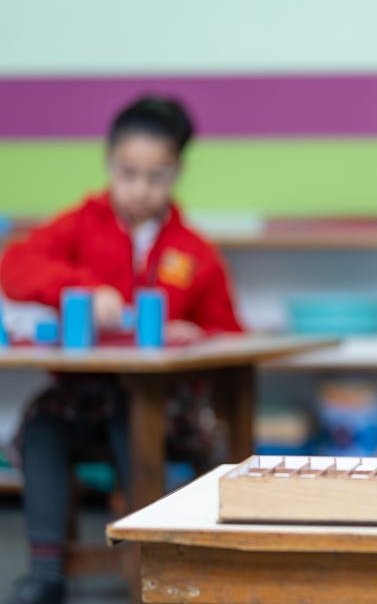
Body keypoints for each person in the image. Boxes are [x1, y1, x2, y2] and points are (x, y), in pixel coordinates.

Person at [0, 94, 243, 604]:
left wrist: (196, 336)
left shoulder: (194, 252)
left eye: (155, 177)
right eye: (127, 173)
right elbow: (15, 268)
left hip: (165, 403)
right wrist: (83, 288)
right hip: (82, 394)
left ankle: (149, 561)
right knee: (40, 425)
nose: (139, 189)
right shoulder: (78, 226)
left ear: (176, 172)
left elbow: (230, 333)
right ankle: (45, 570)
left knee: (134, 417)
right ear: (109, 165)